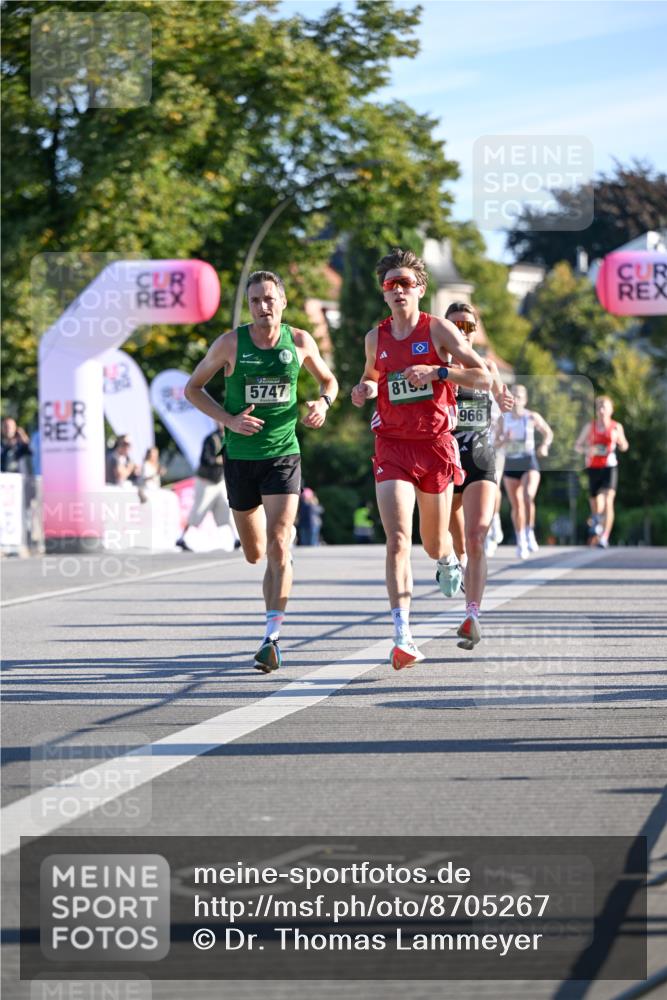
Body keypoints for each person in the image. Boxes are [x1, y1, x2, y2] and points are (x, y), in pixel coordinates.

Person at [184, 269, 338, 672]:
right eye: (255, 300)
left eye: (269, 299)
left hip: (284, 455)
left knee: (279, 543)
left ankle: (271, 637)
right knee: (256, 553)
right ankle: (276, 567)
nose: (263, 306)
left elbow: (330, 381)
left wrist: (322, 404)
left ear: (283, 302)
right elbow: (192, 388)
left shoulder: (300, 341)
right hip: (239, 459)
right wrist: (228, 420)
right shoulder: (230, 343)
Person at [351, 248, 492, 670]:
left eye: (405, 283)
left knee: (433, 542)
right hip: (391, 445)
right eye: (390, 285)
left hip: (434, 445)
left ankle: (447, 559)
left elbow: (483, 375)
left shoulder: (440, 330)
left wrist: (438, 373)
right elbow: (371, 377)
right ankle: (402, 635)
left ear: (420, 289)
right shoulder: (375, 337)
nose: (397, 291)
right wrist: (363, 390)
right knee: (397, 539)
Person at [445, 303, 514, 650]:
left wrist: (505, 398)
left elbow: (502, 400)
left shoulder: (486, 366)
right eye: (456, 324)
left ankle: (472, 615)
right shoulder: (437, 368)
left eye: (469, 326)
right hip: (446, 460)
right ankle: (451, 565)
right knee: (456, 544)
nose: (463, 330)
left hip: (483, 459)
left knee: (476, 537)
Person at [496, 385, 553, 559]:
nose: (516, 399)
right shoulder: (503, 418)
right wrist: (503, 440)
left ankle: (529, 531)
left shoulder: (531, 417)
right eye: (513, 396)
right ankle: (521, 540)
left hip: (528, 461)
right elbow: (495, 443)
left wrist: (544, 446)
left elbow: (548, 433)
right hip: (511, 463)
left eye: (520, 396)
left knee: (528, 496)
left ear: (525, 399)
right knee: (517, 505)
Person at [575, 395, 629, 548]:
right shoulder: (589, 427)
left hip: (609, 467)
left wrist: (619, 440)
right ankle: (597, 524)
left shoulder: (616, 427)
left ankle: (605, 536)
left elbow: (625, 446)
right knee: (596, 506)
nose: (601, 410)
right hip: (593, 467)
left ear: (611, 410)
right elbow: (577, 446)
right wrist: (588, 449)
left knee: (608, 501)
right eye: (599, 407)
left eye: (605, 407)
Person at [176, 425, 231, 550]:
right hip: (207, 481)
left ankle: (235, 539)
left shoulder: (230, 437)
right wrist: (221, 460)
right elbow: (206, 459)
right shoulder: (211, 438)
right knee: (199, 509)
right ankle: (183, 537)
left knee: (227, 508)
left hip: (220, 480)